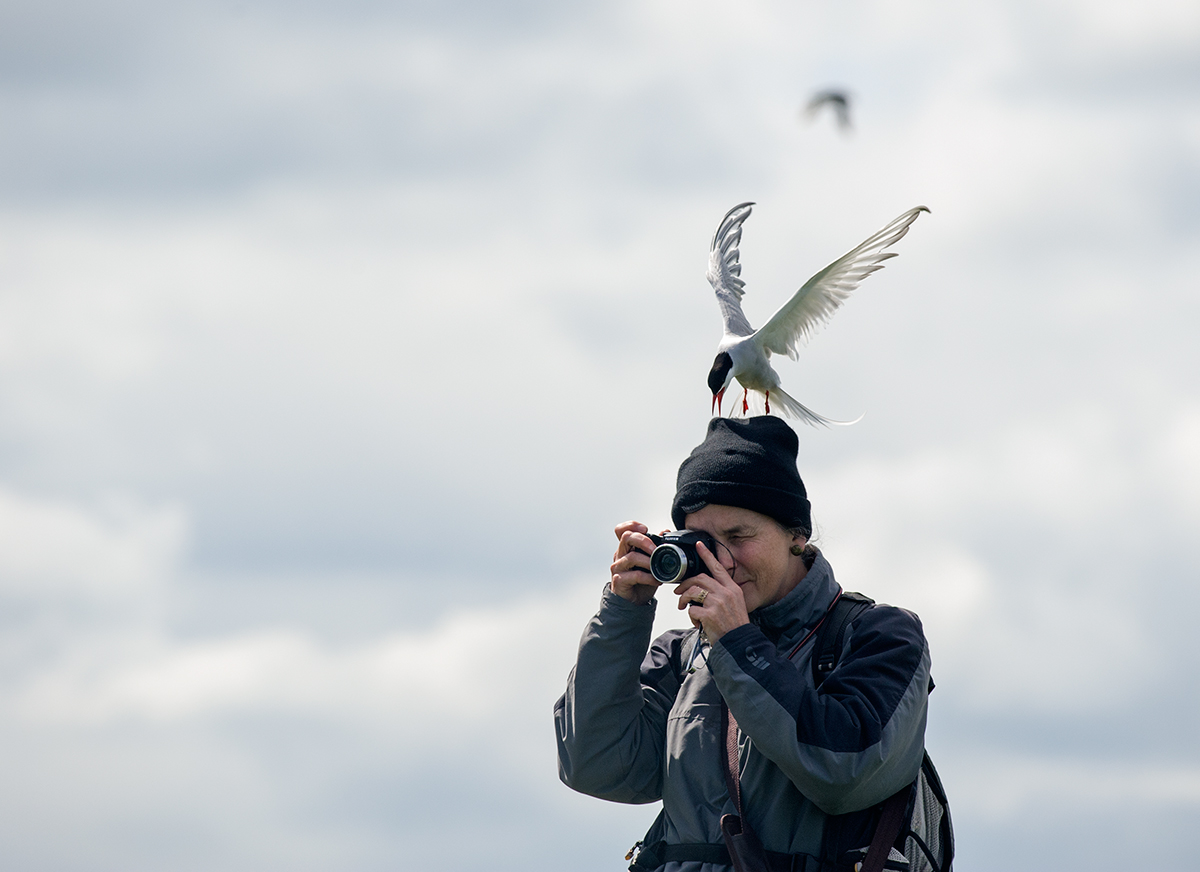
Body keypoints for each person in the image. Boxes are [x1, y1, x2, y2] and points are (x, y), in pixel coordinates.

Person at [554, 416, 932, 872]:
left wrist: (738, 643)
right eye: (704, 542)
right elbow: (595, 765)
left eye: (738, 537)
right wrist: (623, 613)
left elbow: (844, 773)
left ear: (797, 536)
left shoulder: (879, 636)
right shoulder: (683, 655)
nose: (723, 560)